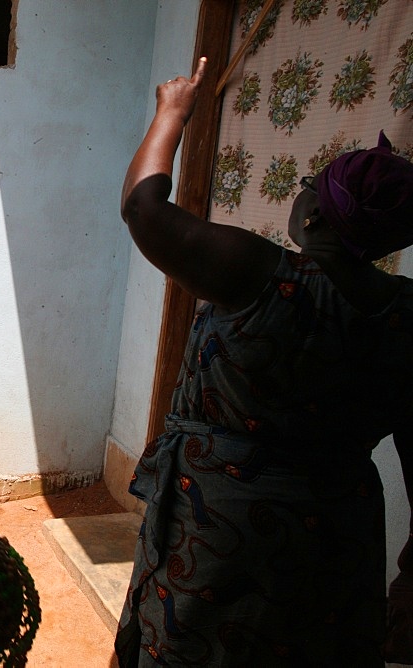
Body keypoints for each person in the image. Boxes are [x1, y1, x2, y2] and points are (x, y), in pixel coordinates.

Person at [114, 57, 413, 666]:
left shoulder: (258, 273)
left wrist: (172, 112)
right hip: (337, 533)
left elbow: (144, 209)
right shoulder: (405, 315)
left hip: (223, 533)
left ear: (315, 215)